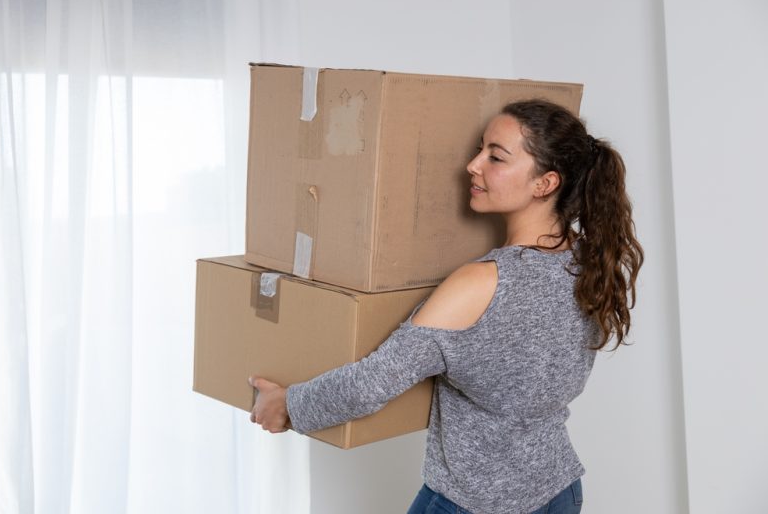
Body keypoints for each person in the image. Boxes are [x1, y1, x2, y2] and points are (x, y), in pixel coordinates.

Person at [248, 99, 644, 514]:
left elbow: (371, 384)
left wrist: (288, 405)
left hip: (475, 502)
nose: (473, 165)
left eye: (496, 156)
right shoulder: (590, 262)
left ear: (544, 183)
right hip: (558, 490)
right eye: (479, 149)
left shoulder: (480, 282)